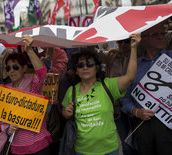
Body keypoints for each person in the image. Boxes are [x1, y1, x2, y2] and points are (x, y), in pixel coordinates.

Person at [62, 33, 140, 155]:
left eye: (90, 64)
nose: (85, 68)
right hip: (82, 151)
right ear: (76, 71)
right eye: (80, 65)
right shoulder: (71, 91)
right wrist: (66, 113)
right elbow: (65, 113)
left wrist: (134, 48)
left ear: (97, 68)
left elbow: (130, 77)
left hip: (109, 150)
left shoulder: (108, 85)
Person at [120, 23, 172, 155]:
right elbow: (124, 99)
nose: (161, 37)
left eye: (163, 33)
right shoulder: (133, 67)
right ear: (142, 39)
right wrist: (136, 111)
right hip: (143, 127)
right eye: (155, 34)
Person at [0, 35, 52, 155]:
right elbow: (1, 119)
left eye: (15, 67)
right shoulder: (6, 90)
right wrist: (8, 129)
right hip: (17, 147)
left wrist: (29, 50)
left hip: (38, 145)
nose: (11, 71)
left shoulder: (33, 83)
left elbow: (42, 73)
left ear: (24, 68)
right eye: (8, 68)